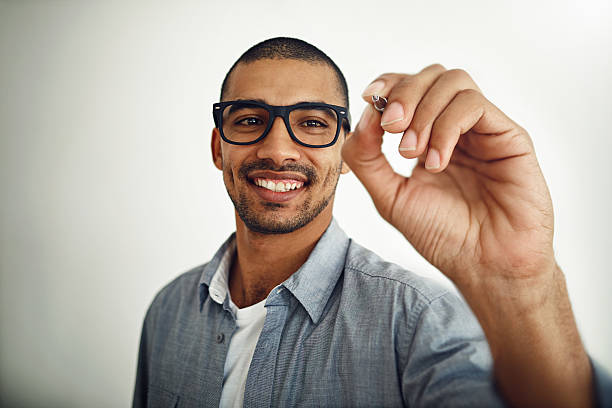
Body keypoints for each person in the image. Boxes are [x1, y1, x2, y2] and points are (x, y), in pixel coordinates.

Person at [132, 37, 611, 407]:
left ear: (345, 154)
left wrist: (518, 286)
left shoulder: (421, 320)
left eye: (313, 123)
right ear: (219, 148)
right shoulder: (168, 311)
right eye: (250, 120)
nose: (278, 149)